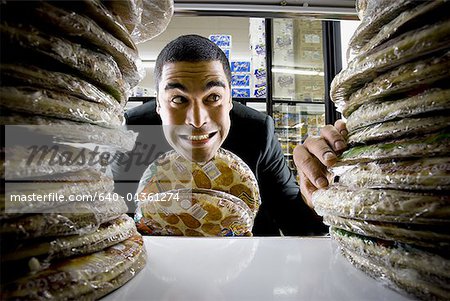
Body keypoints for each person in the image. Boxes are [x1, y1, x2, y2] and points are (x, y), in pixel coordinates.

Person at [120, 34, 347, 236]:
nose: (198, 120)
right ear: (158, 104)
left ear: (230, 100)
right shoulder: (132, 131)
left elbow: (298, 224)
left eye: (213, 98)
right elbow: (113, 222)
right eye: (179, 99)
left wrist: (314, 196)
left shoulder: (257, 131)